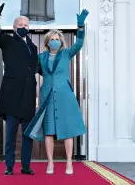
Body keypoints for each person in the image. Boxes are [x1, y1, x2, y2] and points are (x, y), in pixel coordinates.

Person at [24, 9, 89, 175]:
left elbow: (79, 43)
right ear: (47, 42)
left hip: (64, 96)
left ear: (61, 42)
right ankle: (50, 163)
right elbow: (37, 70)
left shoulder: (66, 53)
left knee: (67, 130)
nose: (54, 41)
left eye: (57, 39)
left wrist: (80, 26)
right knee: (49, 131)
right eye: (52, 39)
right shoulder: (42, 56)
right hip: (47, 96)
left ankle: (69, 163)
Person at [0, 0, 38, 175]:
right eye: (21, 24)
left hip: (28, 97)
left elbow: (35, 67)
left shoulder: (33, 47)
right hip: (11, 96)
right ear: (14, 27)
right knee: (10, 136)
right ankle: (9, 166)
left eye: (27, 25)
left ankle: (25, 166)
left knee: (27, 135)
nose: (24, 27)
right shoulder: (8, 41)